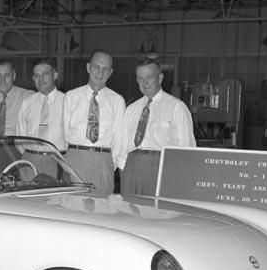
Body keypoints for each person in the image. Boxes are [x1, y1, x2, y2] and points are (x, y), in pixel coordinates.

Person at [120, 58, 196, 196]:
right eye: (140, 78)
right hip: (132, 169)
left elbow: (188, 148)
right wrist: (124, 176)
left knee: (159, 215)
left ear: (160, 78)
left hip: (163, 169)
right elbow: (123, 148)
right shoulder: (131, 109)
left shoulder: (177, 107)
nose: (145, 82)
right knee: (131, 213)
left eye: (149, 77)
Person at [62, 49, 125, 195]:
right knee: (72, 210)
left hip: (103, 162)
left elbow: (119, 139)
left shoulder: (117, 101)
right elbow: (65, 132)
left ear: (110, 73)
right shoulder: (71, 97)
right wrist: (72, 159)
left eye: (105, 69)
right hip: (74, 160)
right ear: (88, 67)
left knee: (101, 211)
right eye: (96, 67)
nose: (100, 73)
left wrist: (109, 164)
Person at [16, 58, 66, 177]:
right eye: (37, 75)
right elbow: (19, 137)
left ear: (55, 75)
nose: (40, 79)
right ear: (33, 78)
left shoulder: (67, 102)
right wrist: (32, 154)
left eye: (45, 74)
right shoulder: (27, 103)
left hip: (57, 161)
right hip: (29, 162)